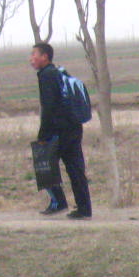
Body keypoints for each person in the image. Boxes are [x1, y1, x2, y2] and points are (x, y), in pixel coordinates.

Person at [30, 42, 92, 219]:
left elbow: (49, 107)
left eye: (34, 54)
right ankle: (84, 209)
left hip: (59, 130)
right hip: (74, 127)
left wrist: (43, 135)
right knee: (75, 168)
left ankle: (58, 202)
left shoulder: (47, 75)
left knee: (44, 164)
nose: (31, 59)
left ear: (45, 57)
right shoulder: (59, 72)